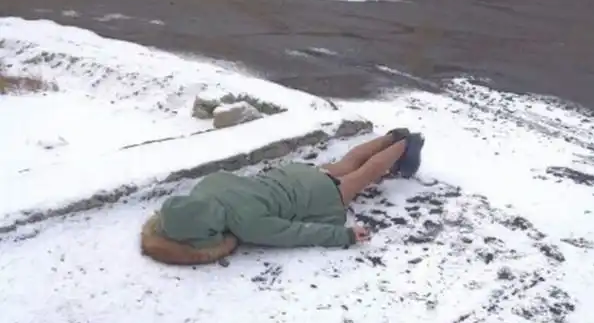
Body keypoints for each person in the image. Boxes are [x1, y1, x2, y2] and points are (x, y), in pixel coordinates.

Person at [141, 129, 425, 265]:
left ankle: (406, 145)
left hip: (316, 195)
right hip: (291, 175)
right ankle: (391, 137)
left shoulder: (247, 224)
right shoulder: (207, 186)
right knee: (347, 163)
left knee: (363, 175)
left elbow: (295, 233)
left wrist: (346, 235)